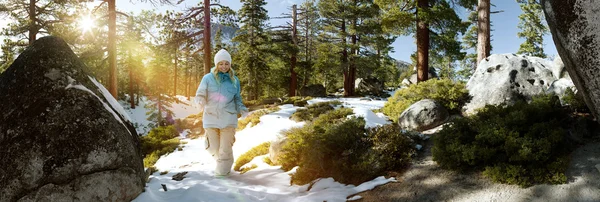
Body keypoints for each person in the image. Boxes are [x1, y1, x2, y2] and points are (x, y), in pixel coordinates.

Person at [195, 49, 248, 176]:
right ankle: (224, 163)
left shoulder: (234, 80)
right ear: (216, 64)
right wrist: (200, 101)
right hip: (210, 118)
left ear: (230, 64)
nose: (224, 66)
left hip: (228, 119)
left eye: (226, 63)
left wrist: (243, 110)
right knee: (213, 148)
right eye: (221, 63)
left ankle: (222, 175)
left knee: (225, 150)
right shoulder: (207, 78)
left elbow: (237, 99)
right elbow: (200, 93)